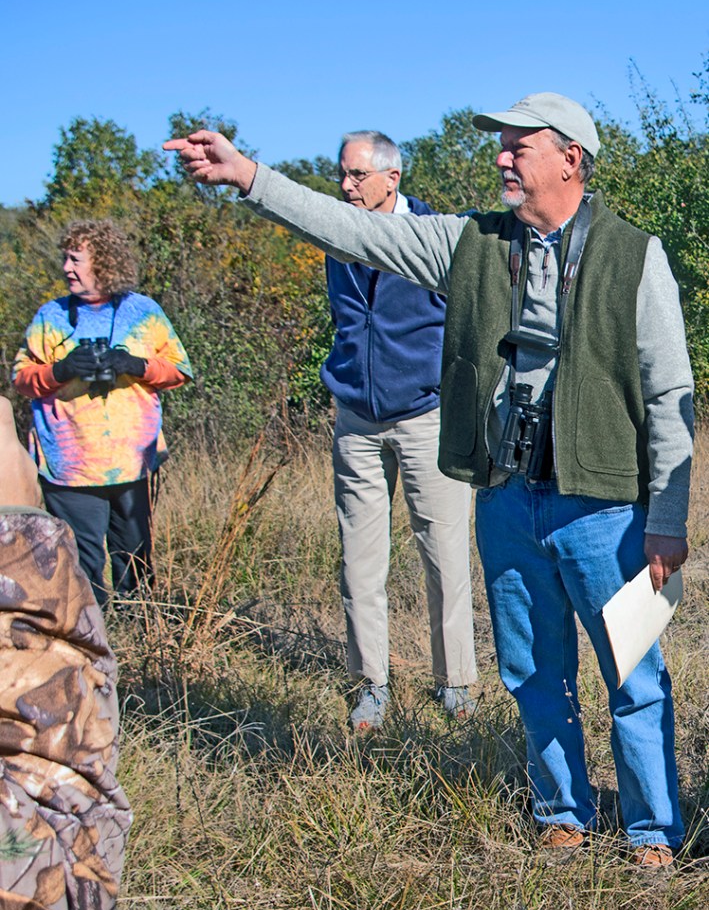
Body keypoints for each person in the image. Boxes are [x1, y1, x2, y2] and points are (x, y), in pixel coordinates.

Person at [165, 90, 694, 867]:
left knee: (633, 674)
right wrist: (249, 177)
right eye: (500, 145)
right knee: (531, 671)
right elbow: (353, 231)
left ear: (569, 159)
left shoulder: (634, 254)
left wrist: (667, 517)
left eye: (517, 146)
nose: (500, 158)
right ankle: (561, 812)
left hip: (606, 508)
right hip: (507, 497)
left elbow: (667, 389)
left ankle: (651, 831)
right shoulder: (467, 242)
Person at [319, 130, 477, 729]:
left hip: (425, 418)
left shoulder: (435, 235)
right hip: (356, 421)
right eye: (342, 174)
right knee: (359, 562)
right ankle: (371, 684)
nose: (346, 186)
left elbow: (465, 321)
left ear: (393, 177)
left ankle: (455, 683)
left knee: (444, 554)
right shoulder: (337, 236)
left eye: (357, 175)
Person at [0, 396, 132, 910]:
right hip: (70, 468)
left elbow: (172, 366)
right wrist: (19, 544)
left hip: (121, 459)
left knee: (127, 554)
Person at [13, 219, 193, 606]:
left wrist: (134, 364)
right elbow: (22, 379)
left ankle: (139, 633)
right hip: (69, 466)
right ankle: (92, 635)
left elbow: (179, 371)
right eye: (65, 258)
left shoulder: (143, 312)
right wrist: (60, 371)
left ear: (104, 261)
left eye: (75, 259)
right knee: (82, 566)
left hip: (132, 462)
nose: (66, 268)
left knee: (135, 563)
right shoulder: (50, 316)